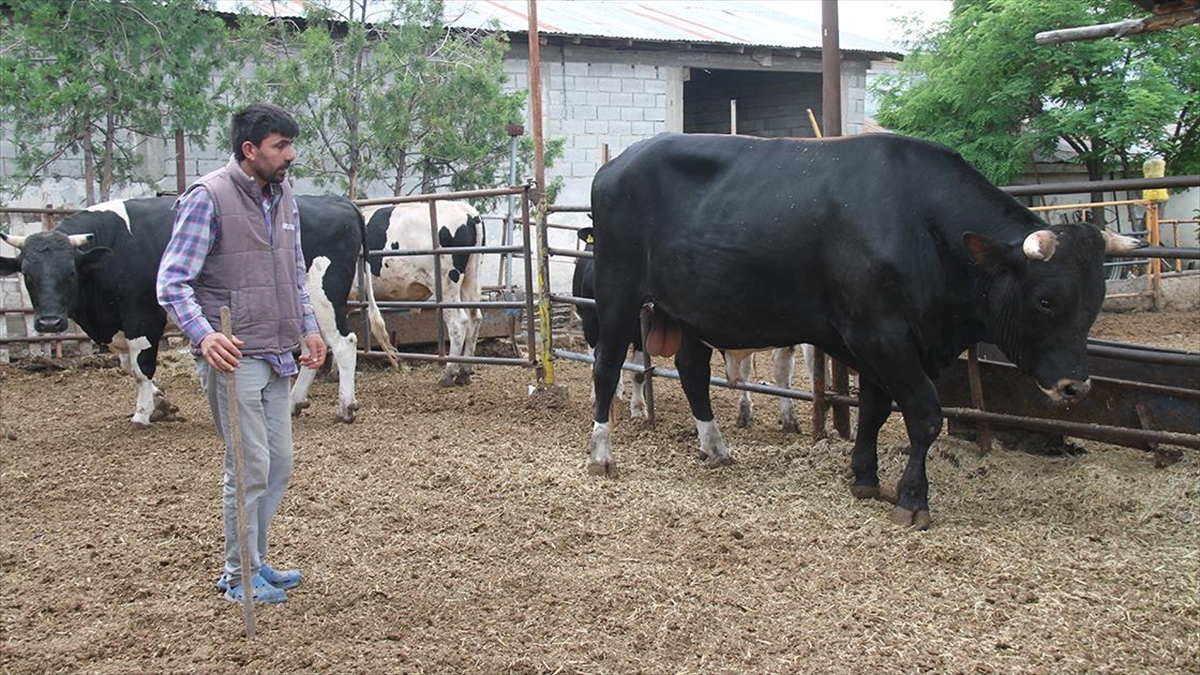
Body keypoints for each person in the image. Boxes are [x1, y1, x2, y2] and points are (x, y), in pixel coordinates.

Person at [157, 103, 326, 604]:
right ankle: (239, 575)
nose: (290, 155)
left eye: (291, 145)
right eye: (281, 146)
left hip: (278, 351)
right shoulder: (207, 197)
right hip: (234, 354)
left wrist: (309, 327)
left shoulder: (284, 196)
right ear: (250, 149)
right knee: (249, 465)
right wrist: (204, 335)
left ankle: (255, 559)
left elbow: (294, 270)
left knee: (278, 465)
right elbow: (172, 281)